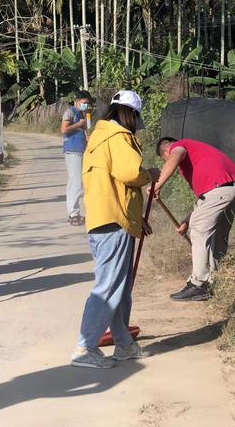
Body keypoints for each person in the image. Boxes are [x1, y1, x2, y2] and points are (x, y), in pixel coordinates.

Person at [70, 90, 160, 369]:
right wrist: (150, 175)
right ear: (129, 114)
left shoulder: (97, 137)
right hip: (114, 223)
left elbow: (111, 185)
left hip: (102, 219)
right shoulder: (119, 138)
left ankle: (123, 344)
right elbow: (130, 174)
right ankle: (85, 348)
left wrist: (136, 219)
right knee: (108, 287)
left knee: (118, 288)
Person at [153, 137, 235, 301]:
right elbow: (205, 202)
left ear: (165, 151)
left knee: (199, 232)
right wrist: (186, 221)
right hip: (227, 191)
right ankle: (214, 281)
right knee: (217, 236)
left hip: (218, 191)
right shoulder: (201, 159)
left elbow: (175, 156)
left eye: (165, 160)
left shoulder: (179, 146)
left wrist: (158, 184)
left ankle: (198, 284)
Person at [61, 90, 91, 226]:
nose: (86, 105)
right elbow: (64, 129)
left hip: (80, 149)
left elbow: (84, 131)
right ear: (77, 101)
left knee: (73, 182)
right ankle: (74, 214)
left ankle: (73, 212)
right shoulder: (70, 112)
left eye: (87, 103)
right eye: (84, 103)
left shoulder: (82, 114)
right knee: (77, 182)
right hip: (72, 150)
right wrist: (79, 124)